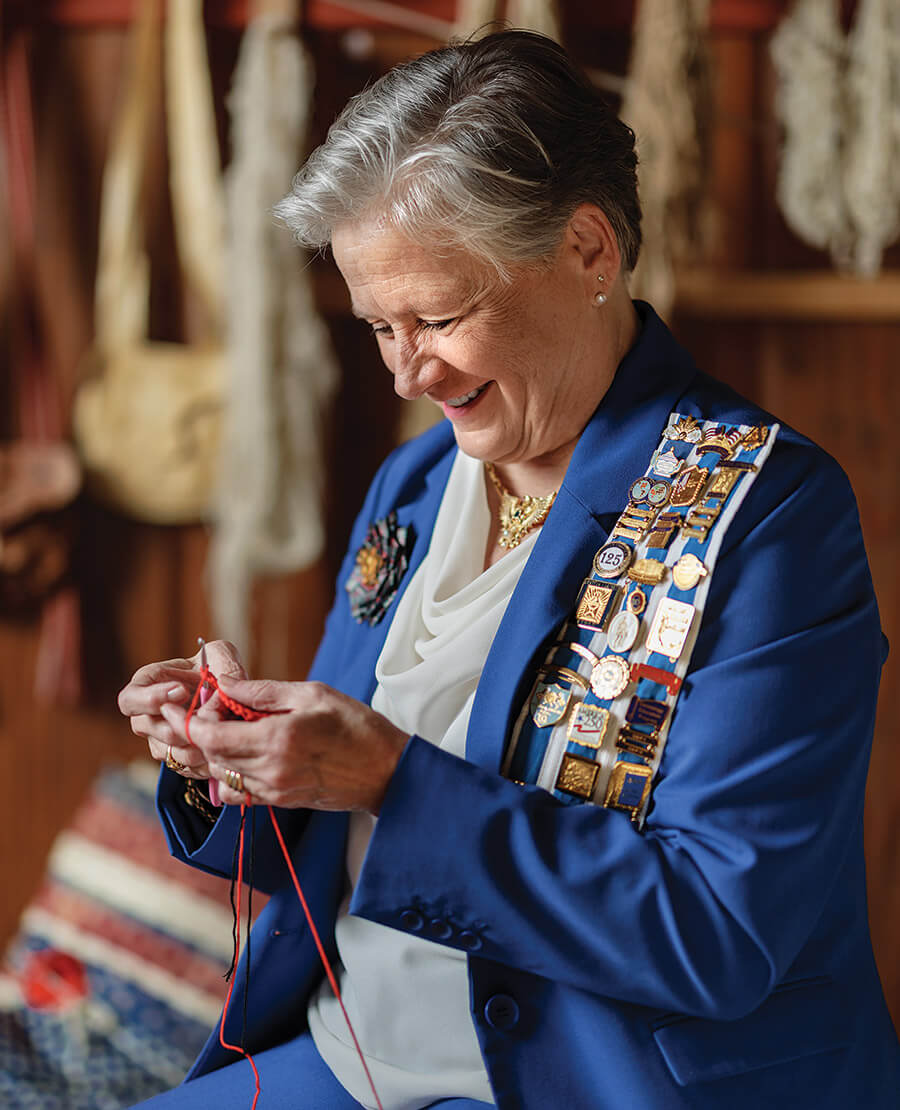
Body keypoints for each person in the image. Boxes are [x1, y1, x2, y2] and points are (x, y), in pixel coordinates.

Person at [117, 29, 900, 1110]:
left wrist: (392, 778)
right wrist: (231, 756)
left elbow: (717, 933)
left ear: (588, 249)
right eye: (377, 326)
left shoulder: (767, 514)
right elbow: (335, 821)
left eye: (440, 316)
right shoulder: (416, 485)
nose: (408, 369)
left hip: (605, 1080)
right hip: (357, 1053)